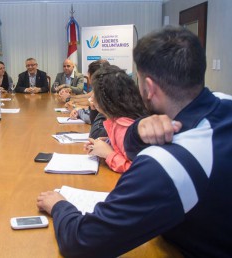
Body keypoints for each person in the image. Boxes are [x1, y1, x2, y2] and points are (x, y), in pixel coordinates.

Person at [37, 26, 232, 258]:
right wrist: (138, 130)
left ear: (148, 88)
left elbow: (82, 242)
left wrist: (59, 205)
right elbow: (131, 144)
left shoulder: (168, 164)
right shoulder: (224, 102)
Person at [84, 65, 148, 173]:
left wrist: (108, 154)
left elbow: (138, 171)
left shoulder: (123, 128)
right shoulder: (118, 120)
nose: (91, 97)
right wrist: (109, 144)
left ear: (105, 98)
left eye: (95, 92)